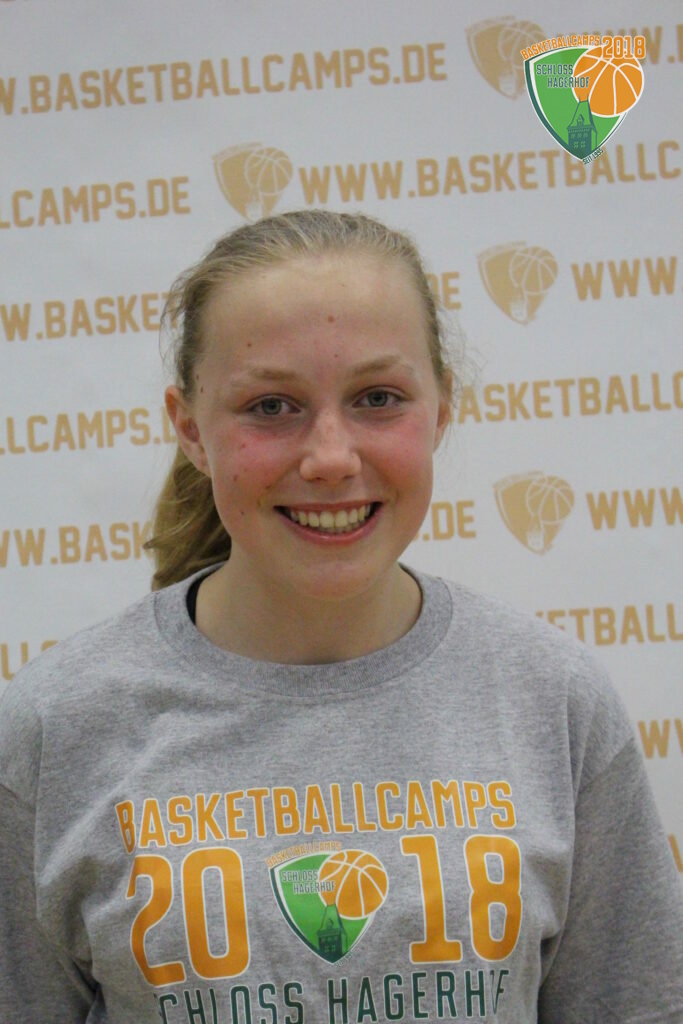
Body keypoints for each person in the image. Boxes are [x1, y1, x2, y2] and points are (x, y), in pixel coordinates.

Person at [0, 210, 680, 1023]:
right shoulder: (56, 727)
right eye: (270, 406)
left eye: (377, 398)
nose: (329, 456)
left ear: (440, 408)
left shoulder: (554, 701)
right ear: (190, 429)